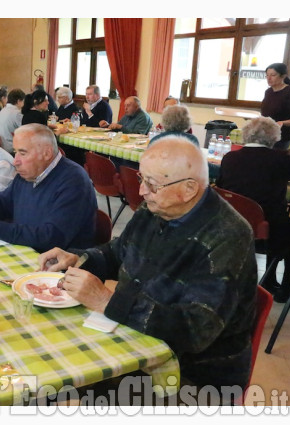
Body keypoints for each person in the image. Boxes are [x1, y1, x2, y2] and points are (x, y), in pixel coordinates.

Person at [39, 137, 258, 399]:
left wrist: (107, 300)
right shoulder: (156, 208)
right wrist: (79, 259)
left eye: (152, 184)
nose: (141, 191)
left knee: (62, 383)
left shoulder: (227, 235)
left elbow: (195, 330)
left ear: (189, 189)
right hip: (137, 339)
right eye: (142, 179)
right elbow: (118, 253)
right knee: (46, 361)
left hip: (193, 375)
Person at [0, 123, 97, 253]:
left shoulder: (74, 181)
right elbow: (3, 203)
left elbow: (52, 237)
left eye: (23, 153)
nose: (16, 161)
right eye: (15, 152)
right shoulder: (30, 173)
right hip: (25, 249)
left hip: (58, 269)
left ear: (46, 153)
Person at [217, 116, 290, 303]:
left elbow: (221, 188)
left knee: (274, 220)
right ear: (274, 137)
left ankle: (269, 280)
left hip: (234, 228)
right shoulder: (281, 160)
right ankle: (287, 289)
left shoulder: (229, 158)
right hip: (270, 231)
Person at [261, 63, 290, 150]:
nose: (269, 78)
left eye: (273, 75)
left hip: (281, 137)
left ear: (283, 76)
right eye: (267, 75)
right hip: (266, 135)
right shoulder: (268, 92)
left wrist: (282, 123)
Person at [0, 88, 26, 154]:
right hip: (10, 147)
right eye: (23, 101)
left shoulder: (3, 110)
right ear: (18, 101)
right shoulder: (16, 113)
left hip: (1, 144)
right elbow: (25, 129)